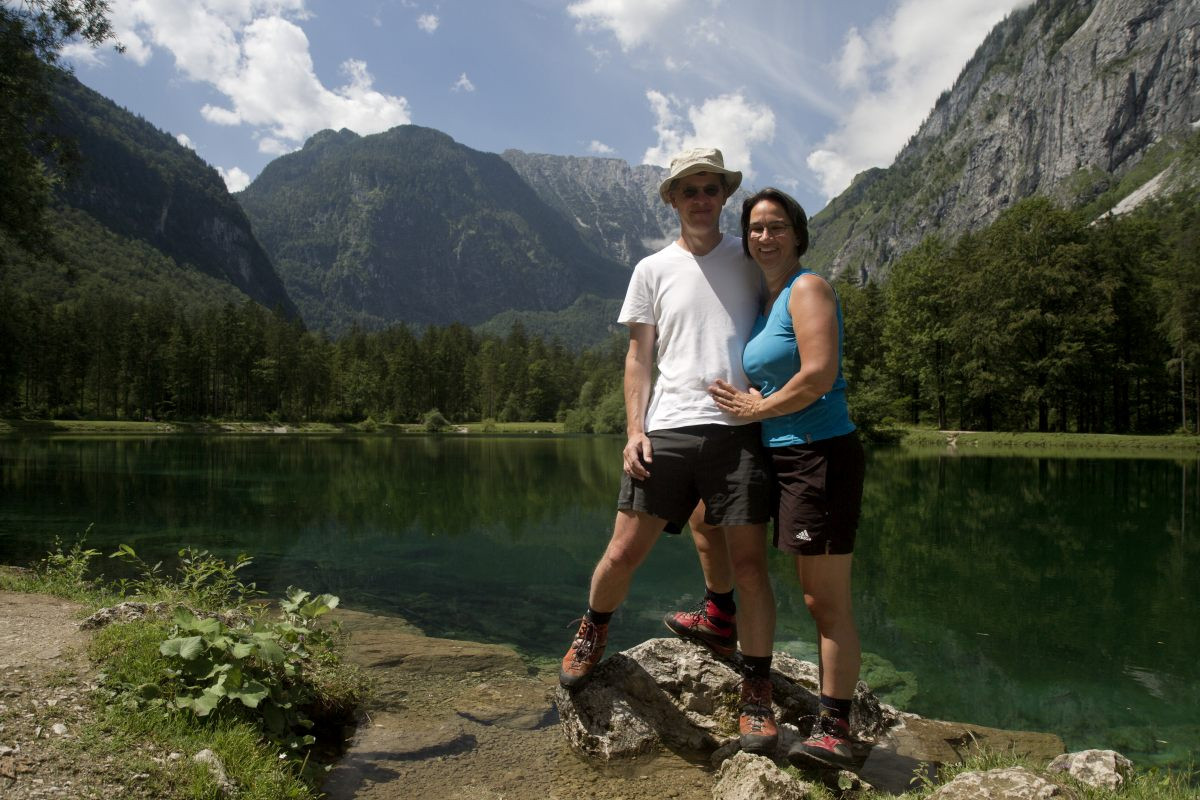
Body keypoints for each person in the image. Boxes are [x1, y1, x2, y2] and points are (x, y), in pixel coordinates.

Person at [558, 147, 779, 754]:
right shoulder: (651, 269)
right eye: (690, 191)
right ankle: (593, 630)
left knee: (752, 567)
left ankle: (756, 689)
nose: (702, 200)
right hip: (669, 431)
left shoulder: (753, 259)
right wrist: (635, 430)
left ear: (724, 197)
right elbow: (638, 357)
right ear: (674, 200)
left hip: (739, 430)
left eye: (712, 189)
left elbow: (778, 327)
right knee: (624, 551)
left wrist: (768, 394)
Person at [708, 187, 866, 769]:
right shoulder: (767, 300)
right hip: (781, 452)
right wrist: (754, 405)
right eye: (755, 228)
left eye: (776, 227)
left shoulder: (807, 288)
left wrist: (757, 409)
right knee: (713, 522)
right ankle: (718, 613)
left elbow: (820, 374)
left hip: (819, 453)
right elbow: (777, 379)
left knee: (823, 601)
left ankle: (836, 728)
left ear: (798, 234)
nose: (764, 237)